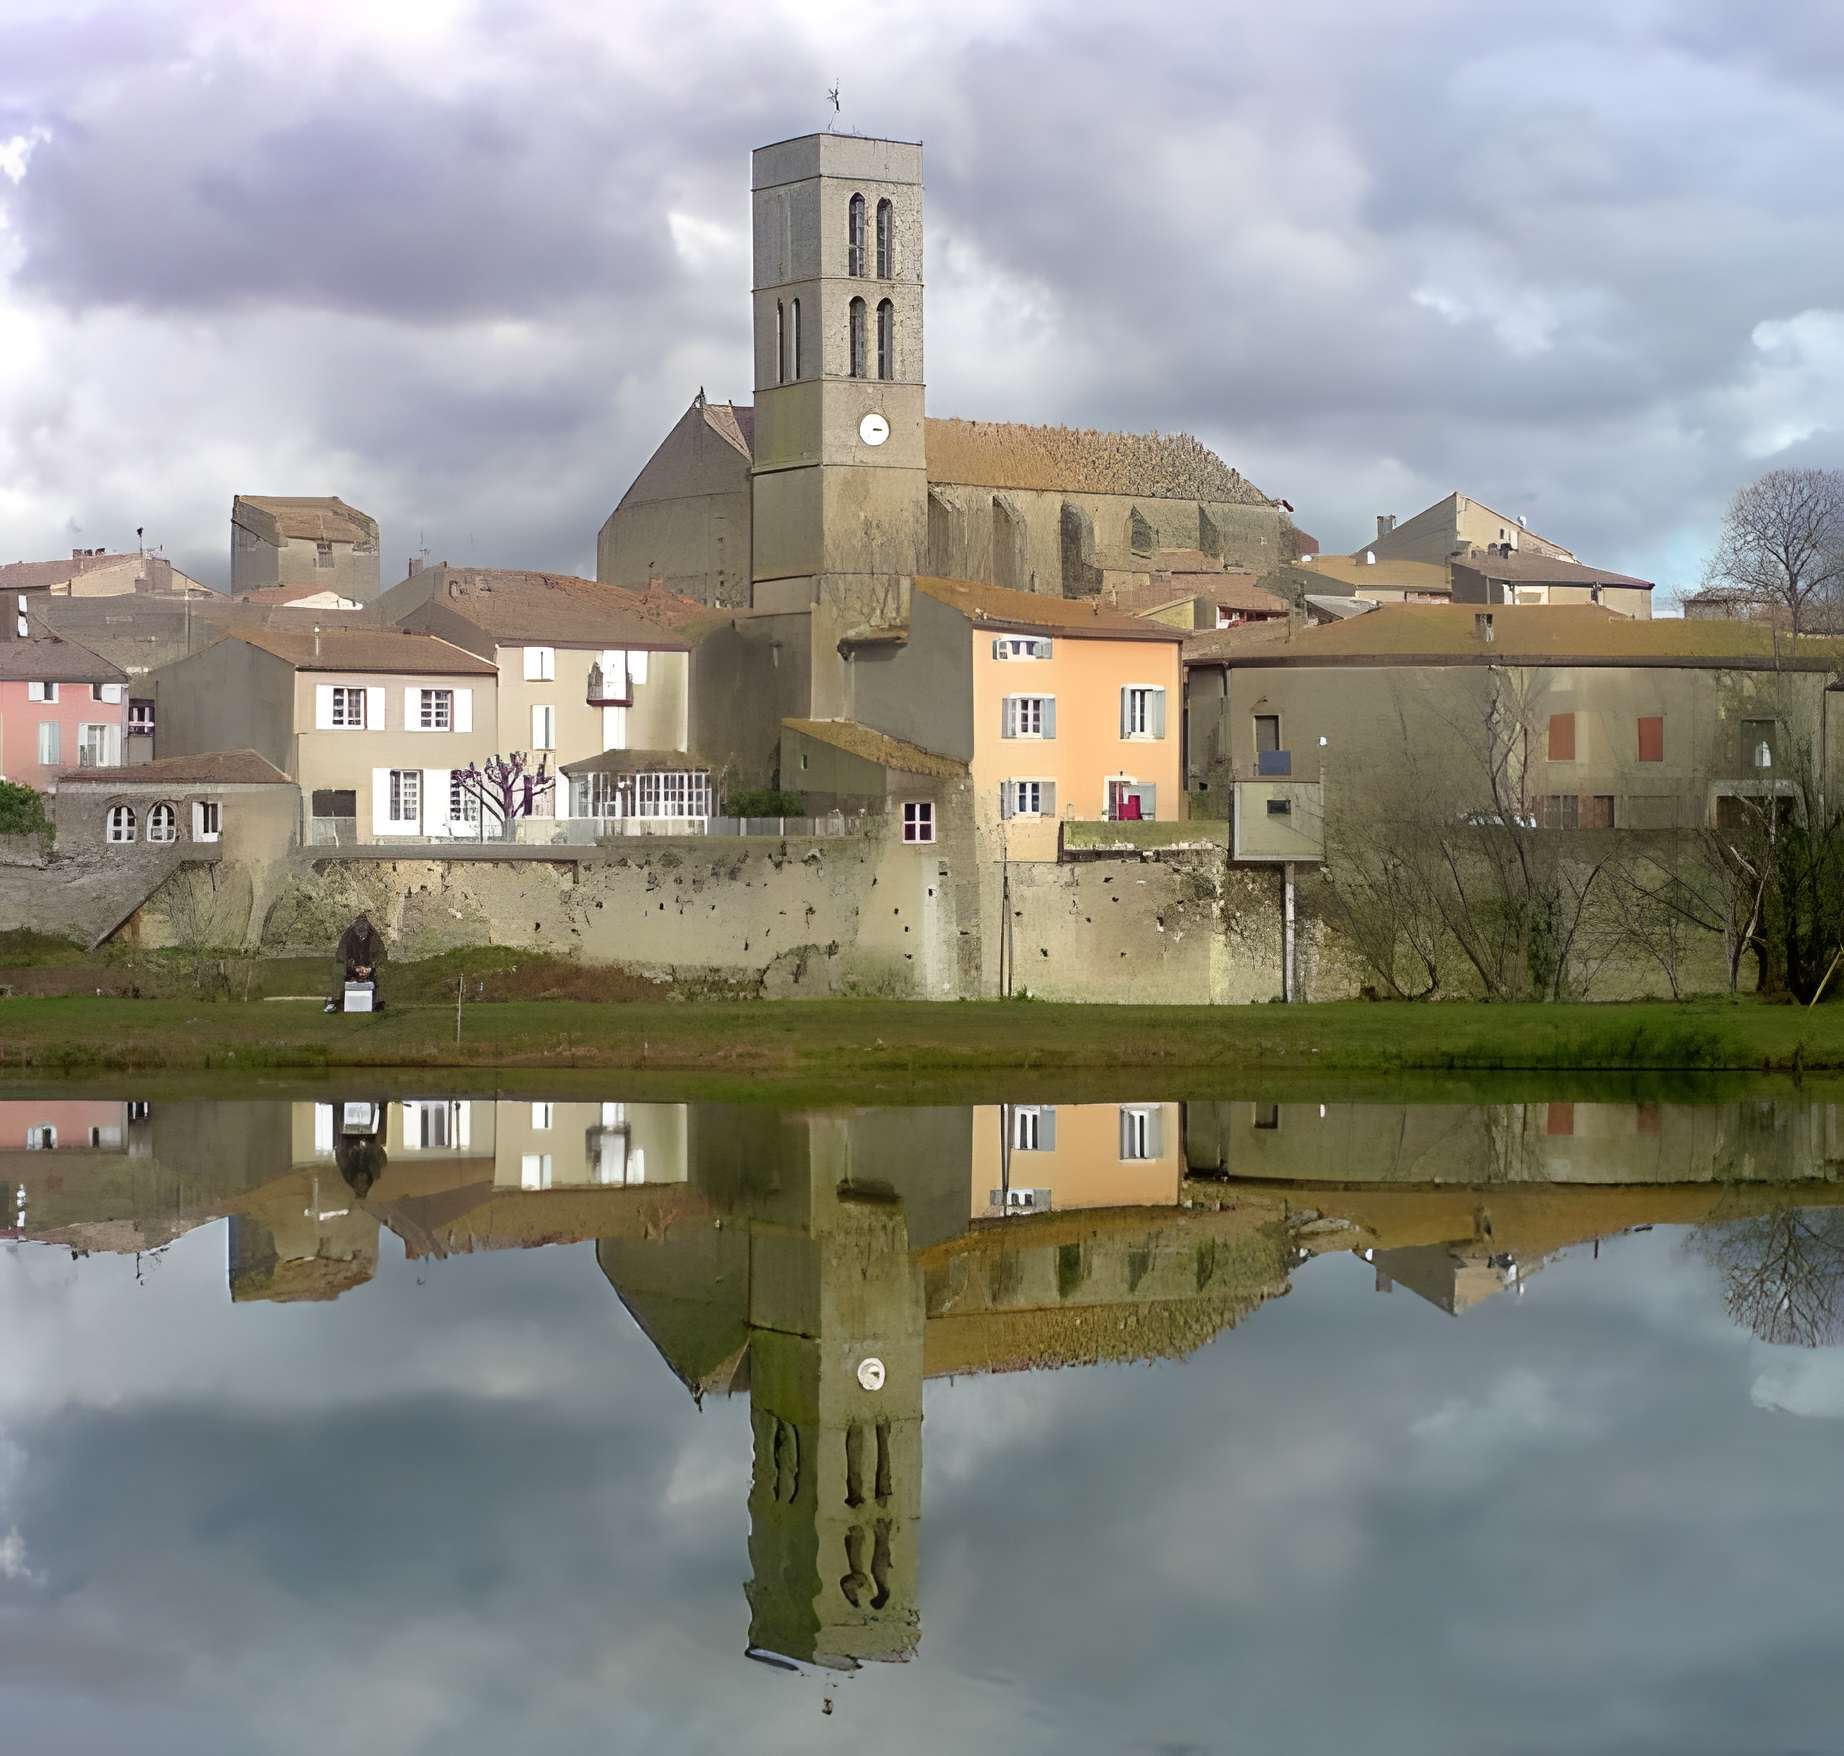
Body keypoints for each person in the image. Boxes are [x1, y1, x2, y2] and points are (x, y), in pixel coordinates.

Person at [326, 912, 388, 1013]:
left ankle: (378, 1002)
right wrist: (354, 967)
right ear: (354, 928)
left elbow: (381, 955)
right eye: (359, 928)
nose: (361, 932)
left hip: (369, 969)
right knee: (338, 969)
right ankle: (333, 1001)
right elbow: (341, 956)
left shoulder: (374, 937)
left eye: (364, 928)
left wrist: (370, 968)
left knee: (382, 971)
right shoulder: (347, 937)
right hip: (351, 969)